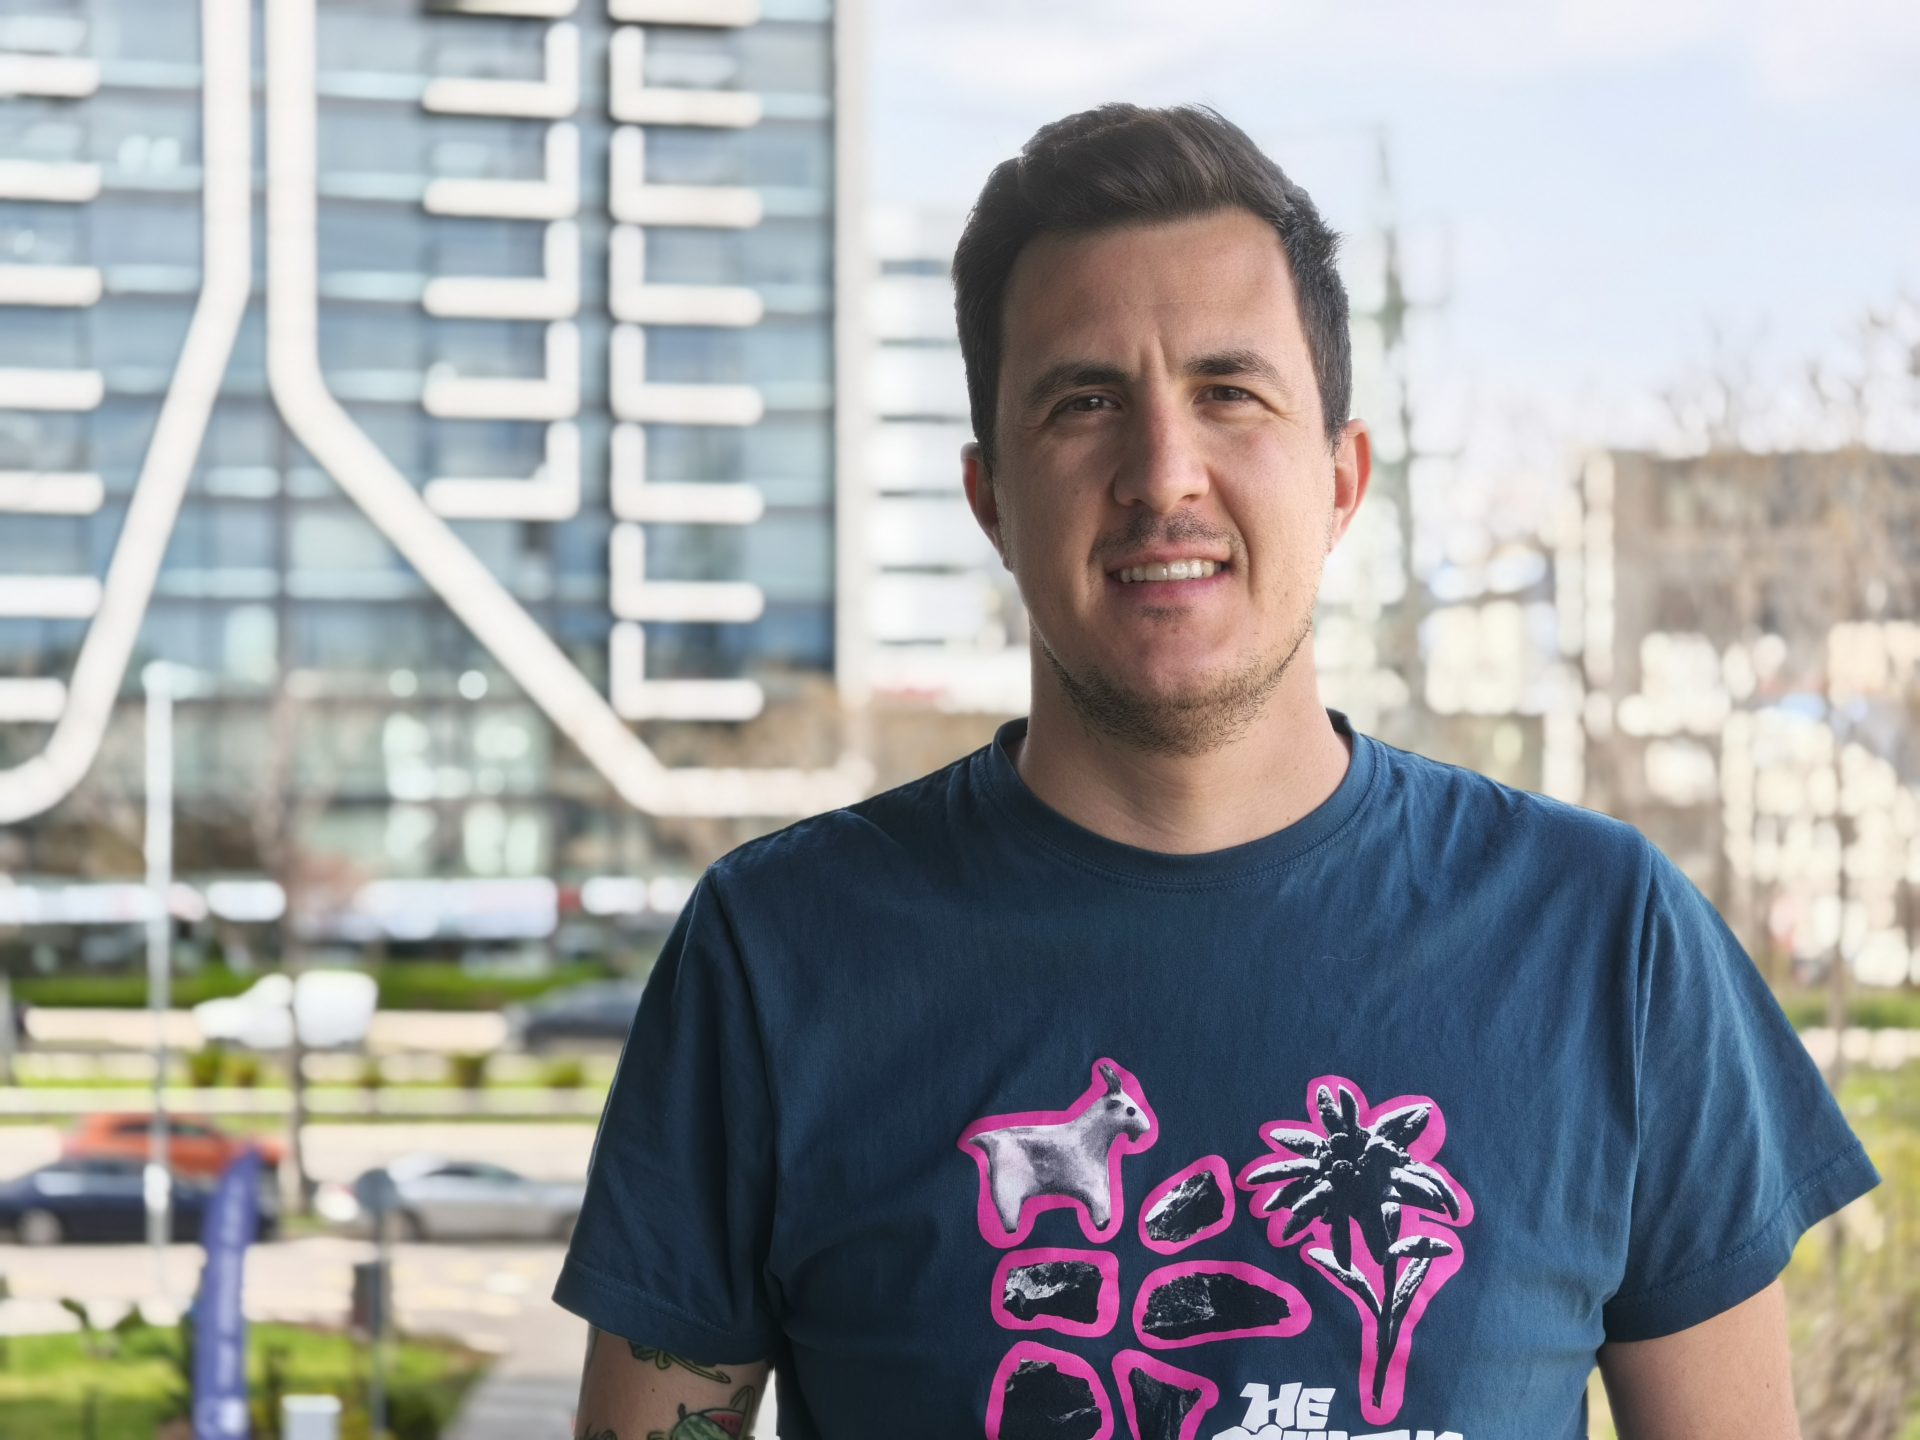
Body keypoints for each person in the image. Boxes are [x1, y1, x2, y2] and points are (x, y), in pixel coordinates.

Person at [556, 103, 1879, 1440]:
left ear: (1342, 480)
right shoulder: (777, 955)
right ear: (991, 500)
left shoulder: (1607, 940)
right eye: (1084, 403)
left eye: (1229, 393)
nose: (1162, 474)